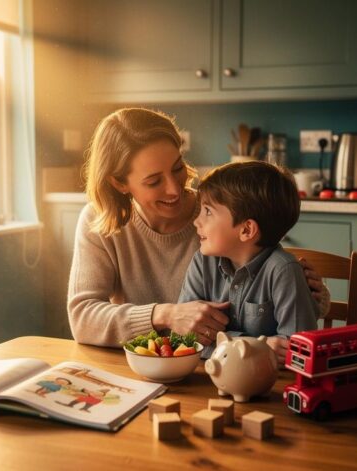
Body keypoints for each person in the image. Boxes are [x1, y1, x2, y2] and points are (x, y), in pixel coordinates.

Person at [67, 107, 330, 349]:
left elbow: (266, 280)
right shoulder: (99, 221)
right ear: (119, 183)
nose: (174, 189)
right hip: (139, 366)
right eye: (154, 181)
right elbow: (83, 319)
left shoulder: (222, 215)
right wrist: (165, 315)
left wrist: (311, 296)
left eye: (178, 167)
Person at [178, 161, 319, 364]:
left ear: (246, 230)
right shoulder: (202, 262)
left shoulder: (283, 271)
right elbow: (188, 337)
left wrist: (219, 342)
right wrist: (258, 346)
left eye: (208, 212)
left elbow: (297, 353)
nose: (196, 221)